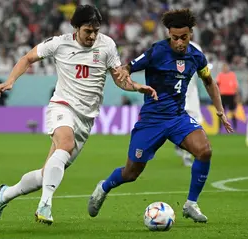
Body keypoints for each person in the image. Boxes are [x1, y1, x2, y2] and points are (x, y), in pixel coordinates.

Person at [0, 5, 157, 225]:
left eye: (96, 30)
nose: (93, 35)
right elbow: (28, 58)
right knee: (65, 144)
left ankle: (5, 194)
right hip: (62, 106)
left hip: (86, 119)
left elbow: (118, 78)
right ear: (76, 28)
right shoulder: (59, 43)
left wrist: (136, 86)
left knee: (46, 173)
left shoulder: (107, 45)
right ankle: (45, 205)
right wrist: (10, 80)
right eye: (88, 30)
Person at [87, 9, 233, 223]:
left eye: (184, 37)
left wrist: (219, 109)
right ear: (169, 35)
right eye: (175, 38)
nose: (180, 42)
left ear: (191, 33)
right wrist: (127, 75)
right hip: (151, 121)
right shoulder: (157, 51)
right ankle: (104, 186)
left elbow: (209, 81)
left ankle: (191, 204)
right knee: (131, 173)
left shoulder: (196, 56)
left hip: (177, 118)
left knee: (204, 151)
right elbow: (128, 67)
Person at [174, 40, 204, 167]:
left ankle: (184, 151)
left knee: (195, 123)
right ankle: (181, 147)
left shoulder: (195, 48)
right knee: (179, 124)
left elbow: (202, 67)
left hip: (191, 93)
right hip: (175, 93)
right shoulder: (168, 46)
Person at [216, 63, 239, 131]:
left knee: (233, 112)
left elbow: (236, 86)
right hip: (222, 96)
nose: (225, 69)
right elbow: (216, 85)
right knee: (221, 113)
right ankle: (219, 129)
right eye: (224, 67)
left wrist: (237, 96)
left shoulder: (232, 75)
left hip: (231, 95)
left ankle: (235, 128)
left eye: (226, 67)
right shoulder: (220, 75)